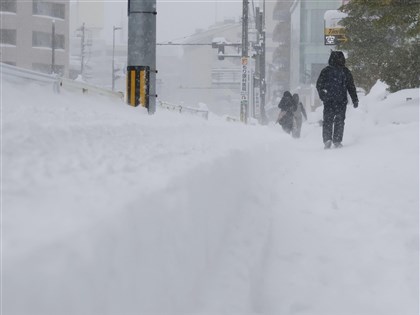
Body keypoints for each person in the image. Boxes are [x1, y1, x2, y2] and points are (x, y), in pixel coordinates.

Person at [316, 51, 359, 149]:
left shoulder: (326, 71)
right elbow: (351, 86)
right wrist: (355, 99)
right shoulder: (345, 71)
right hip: (340, 101)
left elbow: (319, 85)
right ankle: (337, 140)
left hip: (329, 101)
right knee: (339, 121)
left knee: (328, 120)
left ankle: (328, 139)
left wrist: (323, 95)